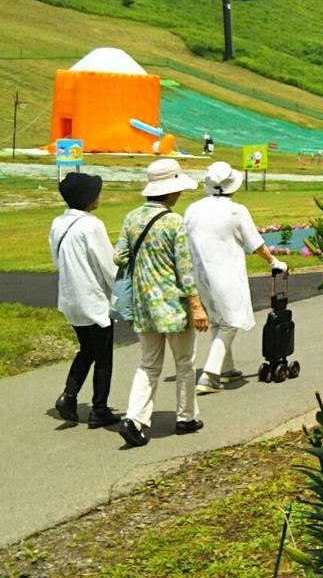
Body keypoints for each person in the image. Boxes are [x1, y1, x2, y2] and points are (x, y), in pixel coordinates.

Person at [115, 159, 209, 448]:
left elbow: (119, 257)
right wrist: (196, 305)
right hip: (174, 305)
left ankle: (135, 419)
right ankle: (186, 417)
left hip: (144, 304)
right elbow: (185, 268)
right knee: (184, 362)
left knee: (148, 363)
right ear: (169, 192)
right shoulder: (174, 222)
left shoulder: (131, 218)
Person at [185, 162, 288, 394]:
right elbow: (256, 243)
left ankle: (226, 368)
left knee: (218, 320)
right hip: (225, 272)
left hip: (199, 272)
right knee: (230, 322)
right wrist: (275, 262)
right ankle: (210, 375)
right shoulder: (236, 210)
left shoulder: (192, 209)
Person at [49, 172, 121, 428]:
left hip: (70, 297)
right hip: (93, 299)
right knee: (103, 356)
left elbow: (56, 259)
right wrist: (124, 294)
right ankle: (99, 409)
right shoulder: (92, 225)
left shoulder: (58, 223)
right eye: (96, 193)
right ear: (88, 198)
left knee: (87, 349)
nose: (99, 196)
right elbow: (109, 266)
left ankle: (69, 396)